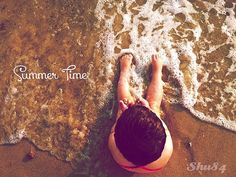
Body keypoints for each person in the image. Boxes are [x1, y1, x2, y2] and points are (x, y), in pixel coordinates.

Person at [108, 53, 173, 173]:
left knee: (124, 101)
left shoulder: (115, 148)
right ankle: (157, 73)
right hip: (156, 166)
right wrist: (149, 110)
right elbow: (162, 129)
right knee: (154, 104)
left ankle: (124, 72)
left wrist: (123, 115)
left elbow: (114, 133)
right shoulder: (167, 148)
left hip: (125, 164)